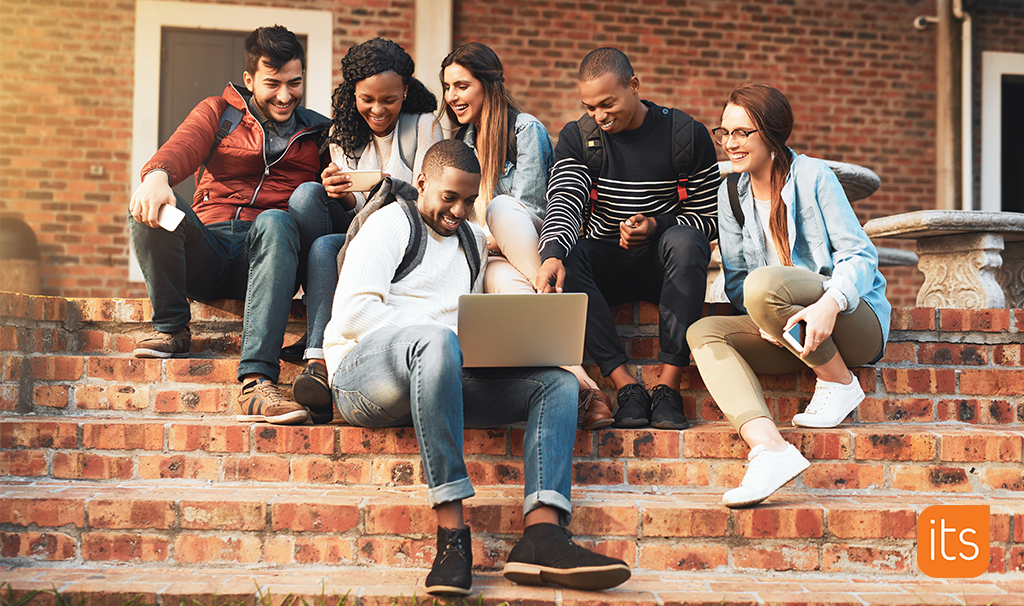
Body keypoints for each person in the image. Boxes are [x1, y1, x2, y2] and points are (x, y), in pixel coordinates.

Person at [322, 139, 631, 596]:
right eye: (449, 197)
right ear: (422, 183)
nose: (459, 210)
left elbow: (463, 324)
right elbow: (351, 316)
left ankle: (543, 534)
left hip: (437, 376)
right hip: (363, 378)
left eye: (468, 200)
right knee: (438, 340)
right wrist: (441, 337)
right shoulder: (391, 222)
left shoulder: (469, 241)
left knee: (556, 383)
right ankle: (452, 538)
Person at [686, 83, 890, 508]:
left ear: (772, 133)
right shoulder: (731, 195)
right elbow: (739, 281)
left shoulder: (815, 176)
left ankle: (839, 382)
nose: (730, 143)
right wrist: (765, 321)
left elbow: (859, 254)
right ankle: (769, 449)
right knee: (704, 333)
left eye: (743, 132)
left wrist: (829, 304)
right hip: (793, 335)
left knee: (765, 284)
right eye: (724, 132)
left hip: (852, 322)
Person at [129, 25, 328, 425]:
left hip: (267, 258)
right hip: (207, 247)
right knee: (151, 207)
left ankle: (256, 383)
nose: (285, 96)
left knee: (277, 220)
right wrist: (157, 175)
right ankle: (171, 329)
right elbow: (185, 144)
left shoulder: (317, 135)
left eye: (295, 83)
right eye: (273, 84)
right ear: (250, 79)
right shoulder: (219, 113)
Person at [535, 48, 721, 430]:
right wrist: (551, 253)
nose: (599, 116)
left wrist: (657, 225)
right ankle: (626, 387)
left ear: (633, 86)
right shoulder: (579, 137)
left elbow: (711, 218)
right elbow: (565, 199)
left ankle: (668, 388)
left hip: (664, 266)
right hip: (606, 263)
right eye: (590, 107)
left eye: (607, 103)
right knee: (568, 257)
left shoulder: (685, 135)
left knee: (686, 241)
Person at [439, 42, 613, 430]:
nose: (452, 96)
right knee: (498, 280)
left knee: (501, 208)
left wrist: (485, 239)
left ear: (488, 85)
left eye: (462, 86)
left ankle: (549, 303)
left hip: (526, 237)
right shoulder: (461, 145)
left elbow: (530, 208)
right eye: (448, 87)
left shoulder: (525, 129)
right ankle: (587, 388)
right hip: (497, 258)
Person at [287, 37, 443, 422]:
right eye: (366, 99)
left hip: (405, 236)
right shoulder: (343, 133)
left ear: (405, 91)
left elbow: (431, 200)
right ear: (352, 93)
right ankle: (317, 348)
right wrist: (341, 196)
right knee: (308, 195)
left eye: (388, 99)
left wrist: (389, 188)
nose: (377, 109)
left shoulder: (425, 127)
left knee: (326, 249)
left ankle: (318, 357)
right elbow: (357, 210)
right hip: (362, 225)